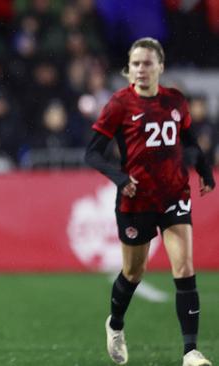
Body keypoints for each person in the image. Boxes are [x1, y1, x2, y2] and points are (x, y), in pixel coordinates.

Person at [85, 37, 214, 366]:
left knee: (184, 268)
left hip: (173, 195)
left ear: (161, 67)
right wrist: (120, 178)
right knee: (133, 272)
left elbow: (188, 142)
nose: (141, 69)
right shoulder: (119, 105)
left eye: (147, 63)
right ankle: (115, 324)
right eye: (136, 64)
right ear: (129, 70)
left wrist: (203, 171)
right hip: (136, 201)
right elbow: (92, 153)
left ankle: (190, 351)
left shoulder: (175, 101)